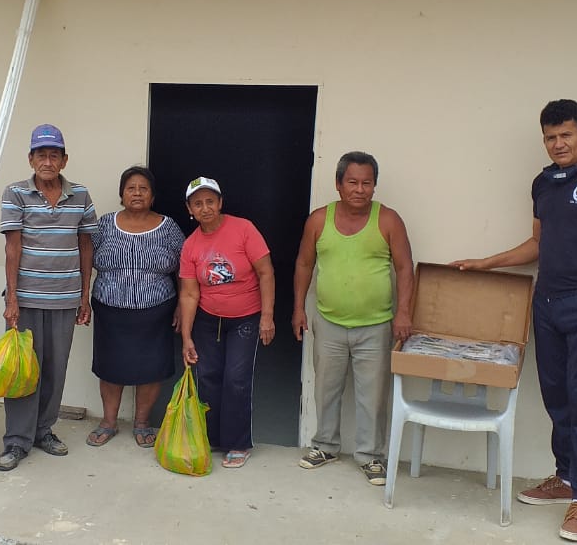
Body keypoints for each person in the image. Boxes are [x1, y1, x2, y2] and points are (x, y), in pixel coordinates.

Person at [451, 99, 577, 542]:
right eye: (550, 137)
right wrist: (486, 263)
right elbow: (538, 244)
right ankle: (565, 477)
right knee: (556, 396)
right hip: (548, 301)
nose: (558, 144)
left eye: (566, 135)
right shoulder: (543, 183)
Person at [291, 151, 413, 486]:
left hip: (376, 324)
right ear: (338, 184)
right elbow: (304, 264)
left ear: (374, 185)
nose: (360, 190)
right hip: (328, 321)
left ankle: (371, 456)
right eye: (352, 182)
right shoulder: (319, 220)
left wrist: (403, 312)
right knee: (325, 389)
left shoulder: (388, 220)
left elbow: (405, 268)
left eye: (367, 183)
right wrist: (299, 308)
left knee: (373, 395)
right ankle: (325, 446)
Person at [0, 123, 97, 471]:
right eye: (41, 155)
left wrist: (84, 296)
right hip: (26, 298)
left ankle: (43, 431)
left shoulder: (80, 195)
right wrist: (12, 299)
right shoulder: (15, 193)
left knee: (55, 370)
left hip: (65, 298)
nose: (48, 162)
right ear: (31, 159)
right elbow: (12, 247)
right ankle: (16, 440)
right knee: (23, 371)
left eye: (54, 155)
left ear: (64, 160)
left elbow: (86, 246)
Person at [177, 176, 275, 469]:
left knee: (236, 379)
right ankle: (213, 438)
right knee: (207, 377)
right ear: (189, 209)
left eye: (210, 201)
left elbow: (266, 273)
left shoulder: (243, 229)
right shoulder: (191, 245)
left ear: (220, 203)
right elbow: (189, 293)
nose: (205, 208)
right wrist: (186, 337)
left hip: (245, 318)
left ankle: (238, 443)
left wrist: (267, 316)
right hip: (208, 320)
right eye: (198, 203)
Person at [86, 166, 186, 449]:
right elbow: (86, 258)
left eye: (144, 188)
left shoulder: (168, 227)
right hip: (110, 309)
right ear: (122, 194)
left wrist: (182, 304)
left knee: (151, 368)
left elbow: (185, 267)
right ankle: (108, 422)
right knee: (110, 367)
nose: (137, 193)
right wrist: (82, 297)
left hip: (156, 310)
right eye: (131, 188)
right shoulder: (105, 224)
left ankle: (142, 423)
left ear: (153, 195)